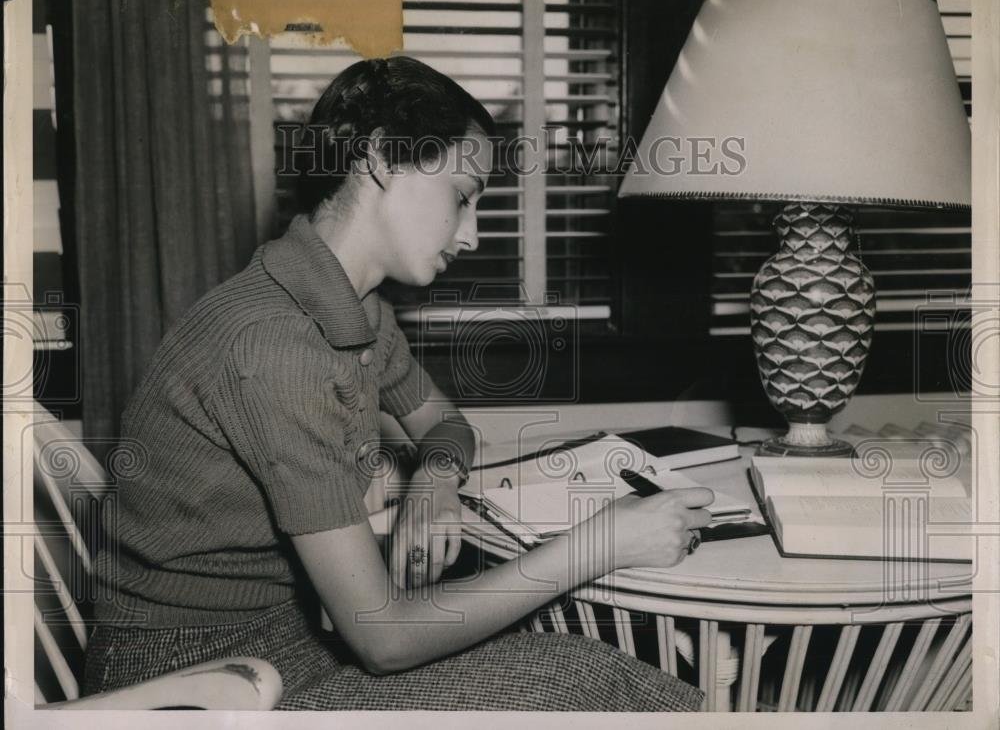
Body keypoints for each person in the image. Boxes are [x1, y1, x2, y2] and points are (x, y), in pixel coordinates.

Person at [83, 56, 714, 711]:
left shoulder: (355, 309)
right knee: (591, 677)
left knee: (576, 658)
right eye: (463, 198)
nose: (471, 236)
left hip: (274, 647)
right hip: (186, 688)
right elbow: (382, 639)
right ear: (382, 156)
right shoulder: (275, 343)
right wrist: (603, 542)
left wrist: (433, 482)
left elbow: (446, 425)